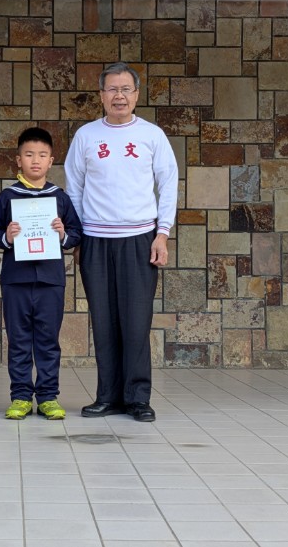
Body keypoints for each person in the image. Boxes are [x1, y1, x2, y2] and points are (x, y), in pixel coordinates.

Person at [64, 62, 178, 422]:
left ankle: (137, 398)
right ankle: (108, 396)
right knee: (103, 320)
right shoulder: (86, 136)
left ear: (136, 94)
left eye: (125, 89)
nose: (119, 96)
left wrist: (163, 234)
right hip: (96, 240)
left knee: (136, 321)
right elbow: (74, 188)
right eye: (112, 89)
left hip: (139, 239)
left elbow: (168, 184)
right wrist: (77, 236)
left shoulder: (151, 136)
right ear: (101, 95)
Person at [0, 127, 82, 420]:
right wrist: (7, 237)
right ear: (18, 160)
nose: (35, 160)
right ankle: (21, 396)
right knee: (19, 340)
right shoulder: (8, 197)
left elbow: (76, 233)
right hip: (16, 280)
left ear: (51, 161)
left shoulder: (59, 197)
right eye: (29, 155)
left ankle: (48, 397)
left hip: (51, 280)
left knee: (48, 340)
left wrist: (63, 234)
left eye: (41, 155)